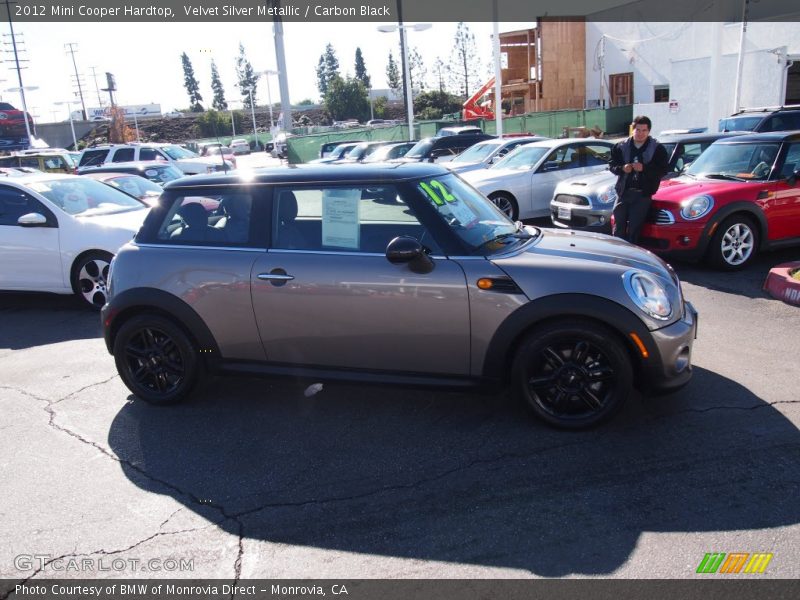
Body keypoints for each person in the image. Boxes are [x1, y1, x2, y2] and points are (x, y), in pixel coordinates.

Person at [609, 116, 669, 244]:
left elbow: (663, 170)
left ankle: (632, 258)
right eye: (638, 130)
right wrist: (622, 168)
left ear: (649, 131)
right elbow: (612, 165)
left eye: (644, 130)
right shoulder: (620, 146)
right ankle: (616, 256)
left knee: (634, 230)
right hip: (623, 192)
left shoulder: (657, 148)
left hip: (642, 194)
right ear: (632, 129)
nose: (640, 133)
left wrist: (644, 168)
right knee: (618, 227)